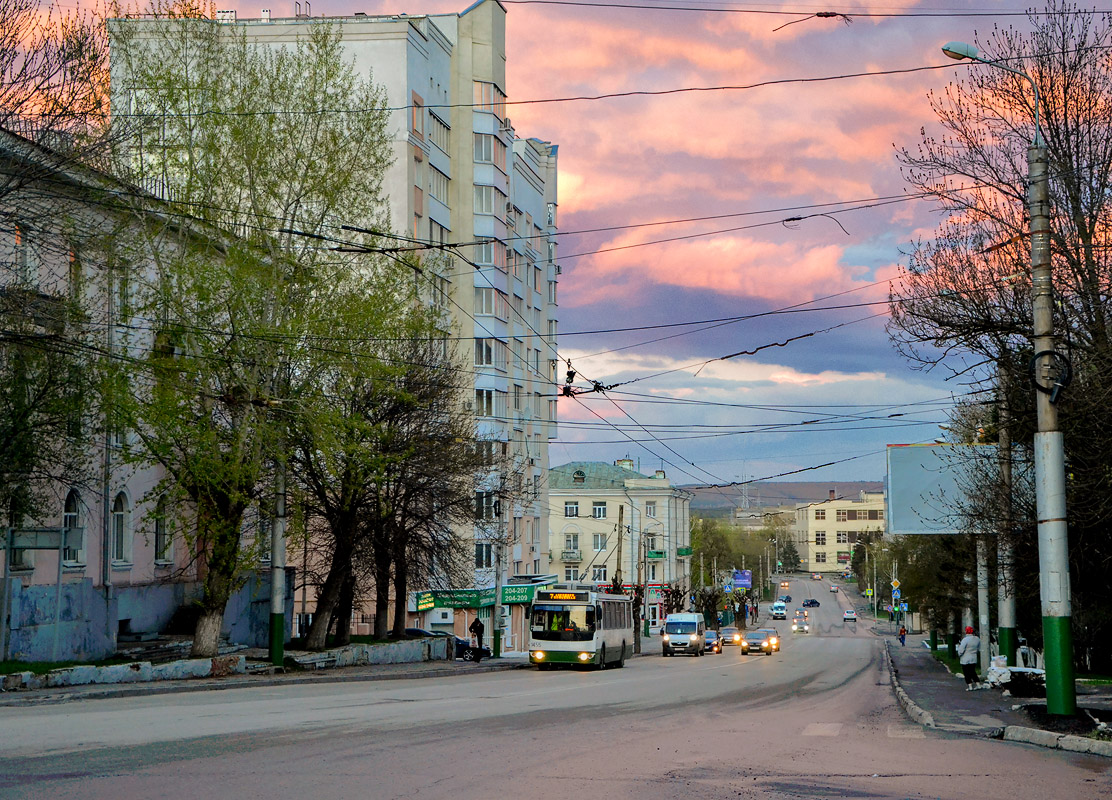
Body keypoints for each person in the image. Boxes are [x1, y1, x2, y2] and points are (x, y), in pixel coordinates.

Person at [957, 625, 981, 690]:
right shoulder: (977, 639)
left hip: (965, 658)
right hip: (974, 657)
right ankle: (978, 684)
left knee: (966, 672)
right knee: (973, 672)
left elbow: (961, 650)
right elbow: (979, 648)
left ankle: (970, 686)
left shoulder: (965, 640)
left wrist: (959, 654)